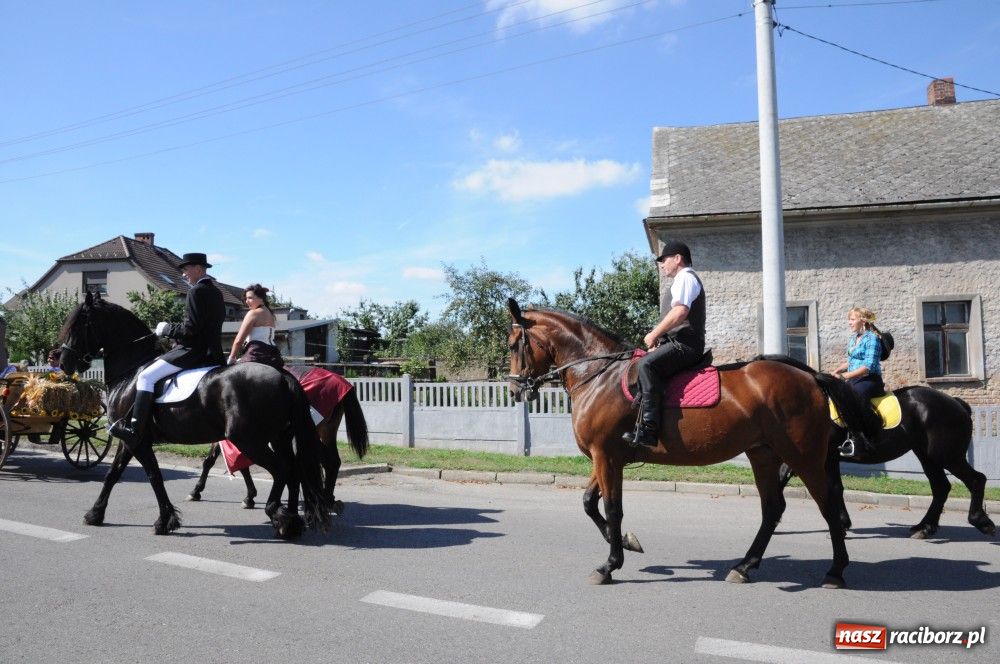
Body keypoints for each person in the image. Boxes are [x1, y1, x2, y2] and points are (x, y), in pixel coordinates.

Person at [110, 252, 225, 445]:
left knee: (145, 377)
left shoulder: (196, 292)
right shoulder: (217, 292)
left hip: (191, 352)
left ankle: (135, 429)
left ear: (198, 269)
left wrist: (167, 329)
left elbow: (191, 329)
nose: (183, 275)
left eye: (186, 269)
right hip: (213, 353)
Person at [623, 240, 706, 448]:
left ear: (677, 259)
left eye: (664, 259)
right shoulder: (681, 280)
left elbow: (680, 312)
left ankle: (649, 429)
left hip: (686, 345)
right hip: (679, 343)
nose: (661, 265)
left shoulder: (685, 277)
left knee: (646, 365)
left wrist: (654, 334)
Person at [832, 306, 885, 457]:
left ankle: (861, 440)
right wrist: (836, 371)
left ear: (863, 321)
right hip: (854, 379)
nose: (849, 322)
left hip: (870, 380)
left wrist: (844, 377)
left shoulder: (872, 339)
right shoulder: (854, 338)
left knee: (853, 396)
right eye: (849, 319)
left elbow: (868, 367)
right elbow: (851, 361)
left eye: (852, 319)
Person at [227, 283, 283, 369]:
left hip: (256, 354)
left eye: (250, 298)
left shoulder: (253, 313)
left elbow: (239, 340)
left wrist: (231, 358)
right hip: (273, 354)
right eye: (246, 298)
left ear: (261, 298)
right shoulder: (270, 314)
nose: (246, 301)